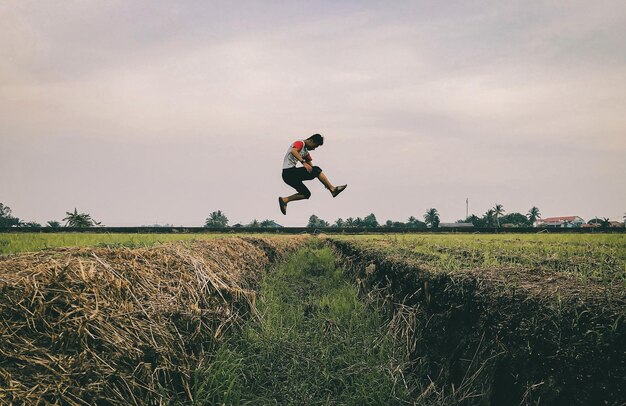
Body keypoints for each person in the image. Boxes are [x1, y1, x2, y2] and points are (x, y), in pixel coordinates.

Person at [278, 133, 346, 215]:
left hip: (290, 177)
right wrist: (303, 163)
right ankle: (332, 189)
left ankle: (285, 200)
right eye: (315, 146)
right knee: (317, 169)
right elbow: (293, 151)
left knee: (306, 194)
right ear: (311, 141)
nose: (314, 149)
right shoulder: (300, 143)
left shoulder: (305, 152)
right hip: (288, 173)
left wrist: (319, 177)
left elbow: (311, 167)